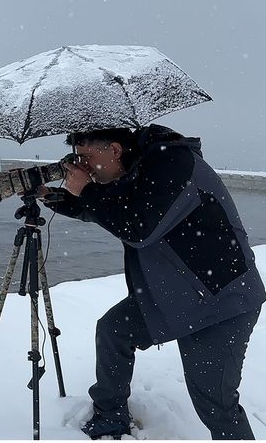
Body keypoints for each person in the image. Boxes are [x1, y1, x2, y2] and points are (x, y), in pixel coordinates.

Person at [38, 124, 265, 440]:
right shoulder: (141, 167)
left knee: (215, 404)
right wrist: (57, 199)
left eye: (87, 157)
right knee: (113, 331)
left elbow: (137, 227)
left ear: (115, 150)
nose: (84, 166)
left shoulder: (173, 166)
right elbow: (114, 208)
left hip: (221, 303)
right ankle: (110, 417)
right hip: (173, 294)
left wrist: (86, 190)